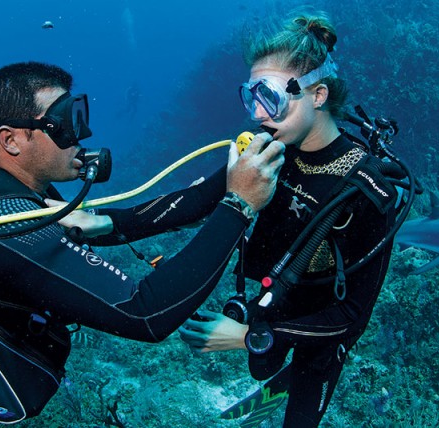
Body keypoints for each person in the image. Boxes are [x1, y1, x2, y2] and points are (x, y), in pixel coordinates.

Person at [0, 61, 285, 427]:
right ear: (11, 140)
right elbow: (145, 315)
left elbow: (106, 223)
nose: (81, 135)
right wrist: (239, 206)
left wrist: (247, 165)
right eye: (62, 122)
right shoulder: (7, 226)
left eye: (78, 114)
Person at [59, 12, 400, 428]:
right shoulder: (270, 152)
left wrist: (247, 338)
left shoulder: (366, 190)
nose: (257, 114)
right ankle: (275, 365)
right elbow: (193, 201)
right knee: (263, 365)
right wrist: (108, 223)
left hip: (321, 329)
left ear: (317, 94)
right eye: (250, 96)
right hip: (272, 303)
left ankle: (294, 376)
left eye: (270, 97)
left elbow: (351, 318)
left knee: (306, 394)